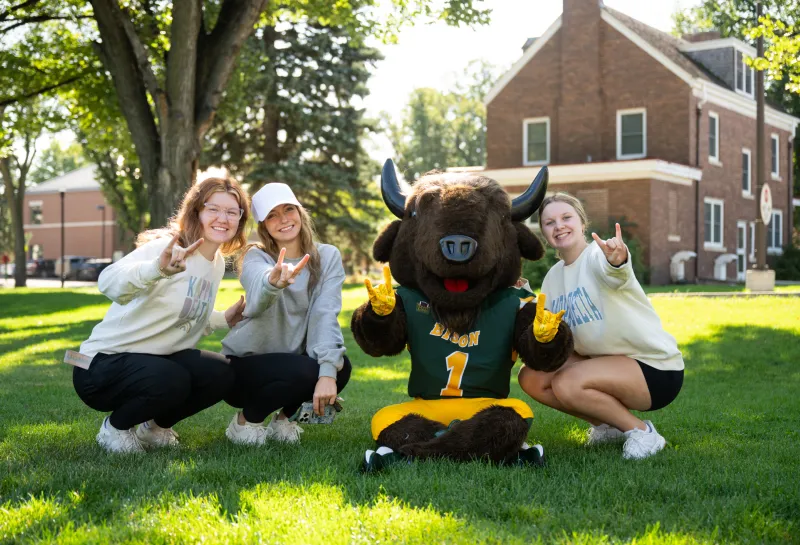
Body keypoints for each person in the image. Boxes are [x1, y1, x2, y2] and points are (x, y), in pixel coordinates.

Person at [73, 176, 251, 453]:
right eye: (213, 209)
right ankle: (116, 428)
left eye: (232, 212)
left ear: (240, 219)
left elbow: (185, 313)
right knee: (173, 378)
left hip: (153, 361)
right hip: (101, 365)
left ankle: (153, 429)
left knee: (222, 373)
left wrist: (222, 319)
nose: (223, 218)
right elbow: (108, 281)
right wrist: (157, 269)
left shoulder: (215, 263)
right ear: (196, 211)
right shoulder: (168, 247)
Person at [518, 192, 684, 459]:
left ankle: (643, 433)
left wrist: (616, 259)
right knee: (531, 377)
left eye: (566, 217)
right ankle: (608, 427)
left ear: (582, 223)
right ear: (545, 233)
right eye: (549, 222)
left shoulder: (597, 255)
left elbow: (615, 272)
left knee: (567, 383)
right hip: (604, 365)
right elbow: (556, 338)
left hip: (654, 367)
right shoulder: (553, 278)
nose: (559, 226)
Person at [221, 182, 351, 446]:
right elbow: (257, 294)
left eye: (288, 209)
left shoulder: (327, 256)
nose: (283, 219)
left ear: (300, 212)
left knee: (340, 367)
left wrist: (328, 373)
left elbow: (325, 314)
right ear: (263, 226)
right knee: (306, 371)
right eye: (272, 215)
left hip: (294, 362)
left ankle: (284, 421)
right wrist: (273, 282)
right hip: (245, 367)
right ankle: (245, 422)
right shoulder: (255, 257)